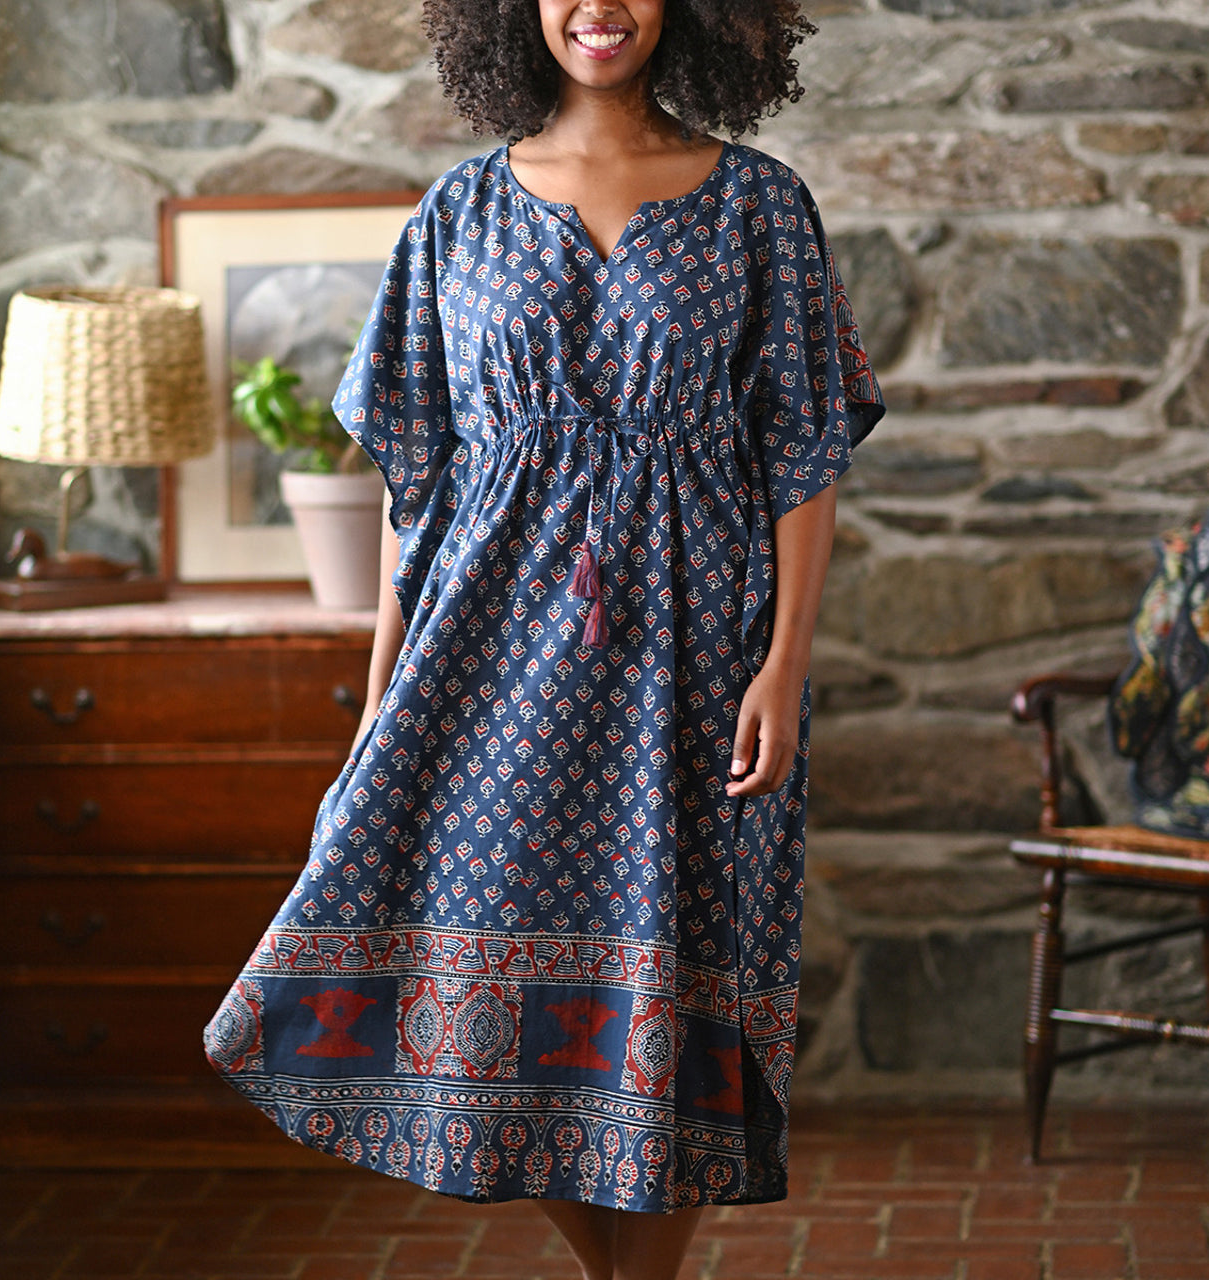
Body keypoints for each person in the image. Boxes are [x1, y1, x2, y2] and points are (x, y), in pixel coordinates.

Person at [204, 2, 883, 1276]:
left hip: (692, 657)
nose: (598, 5)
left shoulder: (758, 207)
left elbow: (801, 456)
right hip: (484, 663)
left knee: (671, 975)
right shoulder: (456, 213)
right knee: (481, 994)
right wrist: (375, 702)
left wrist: (783, 667)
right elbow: (420, 487)